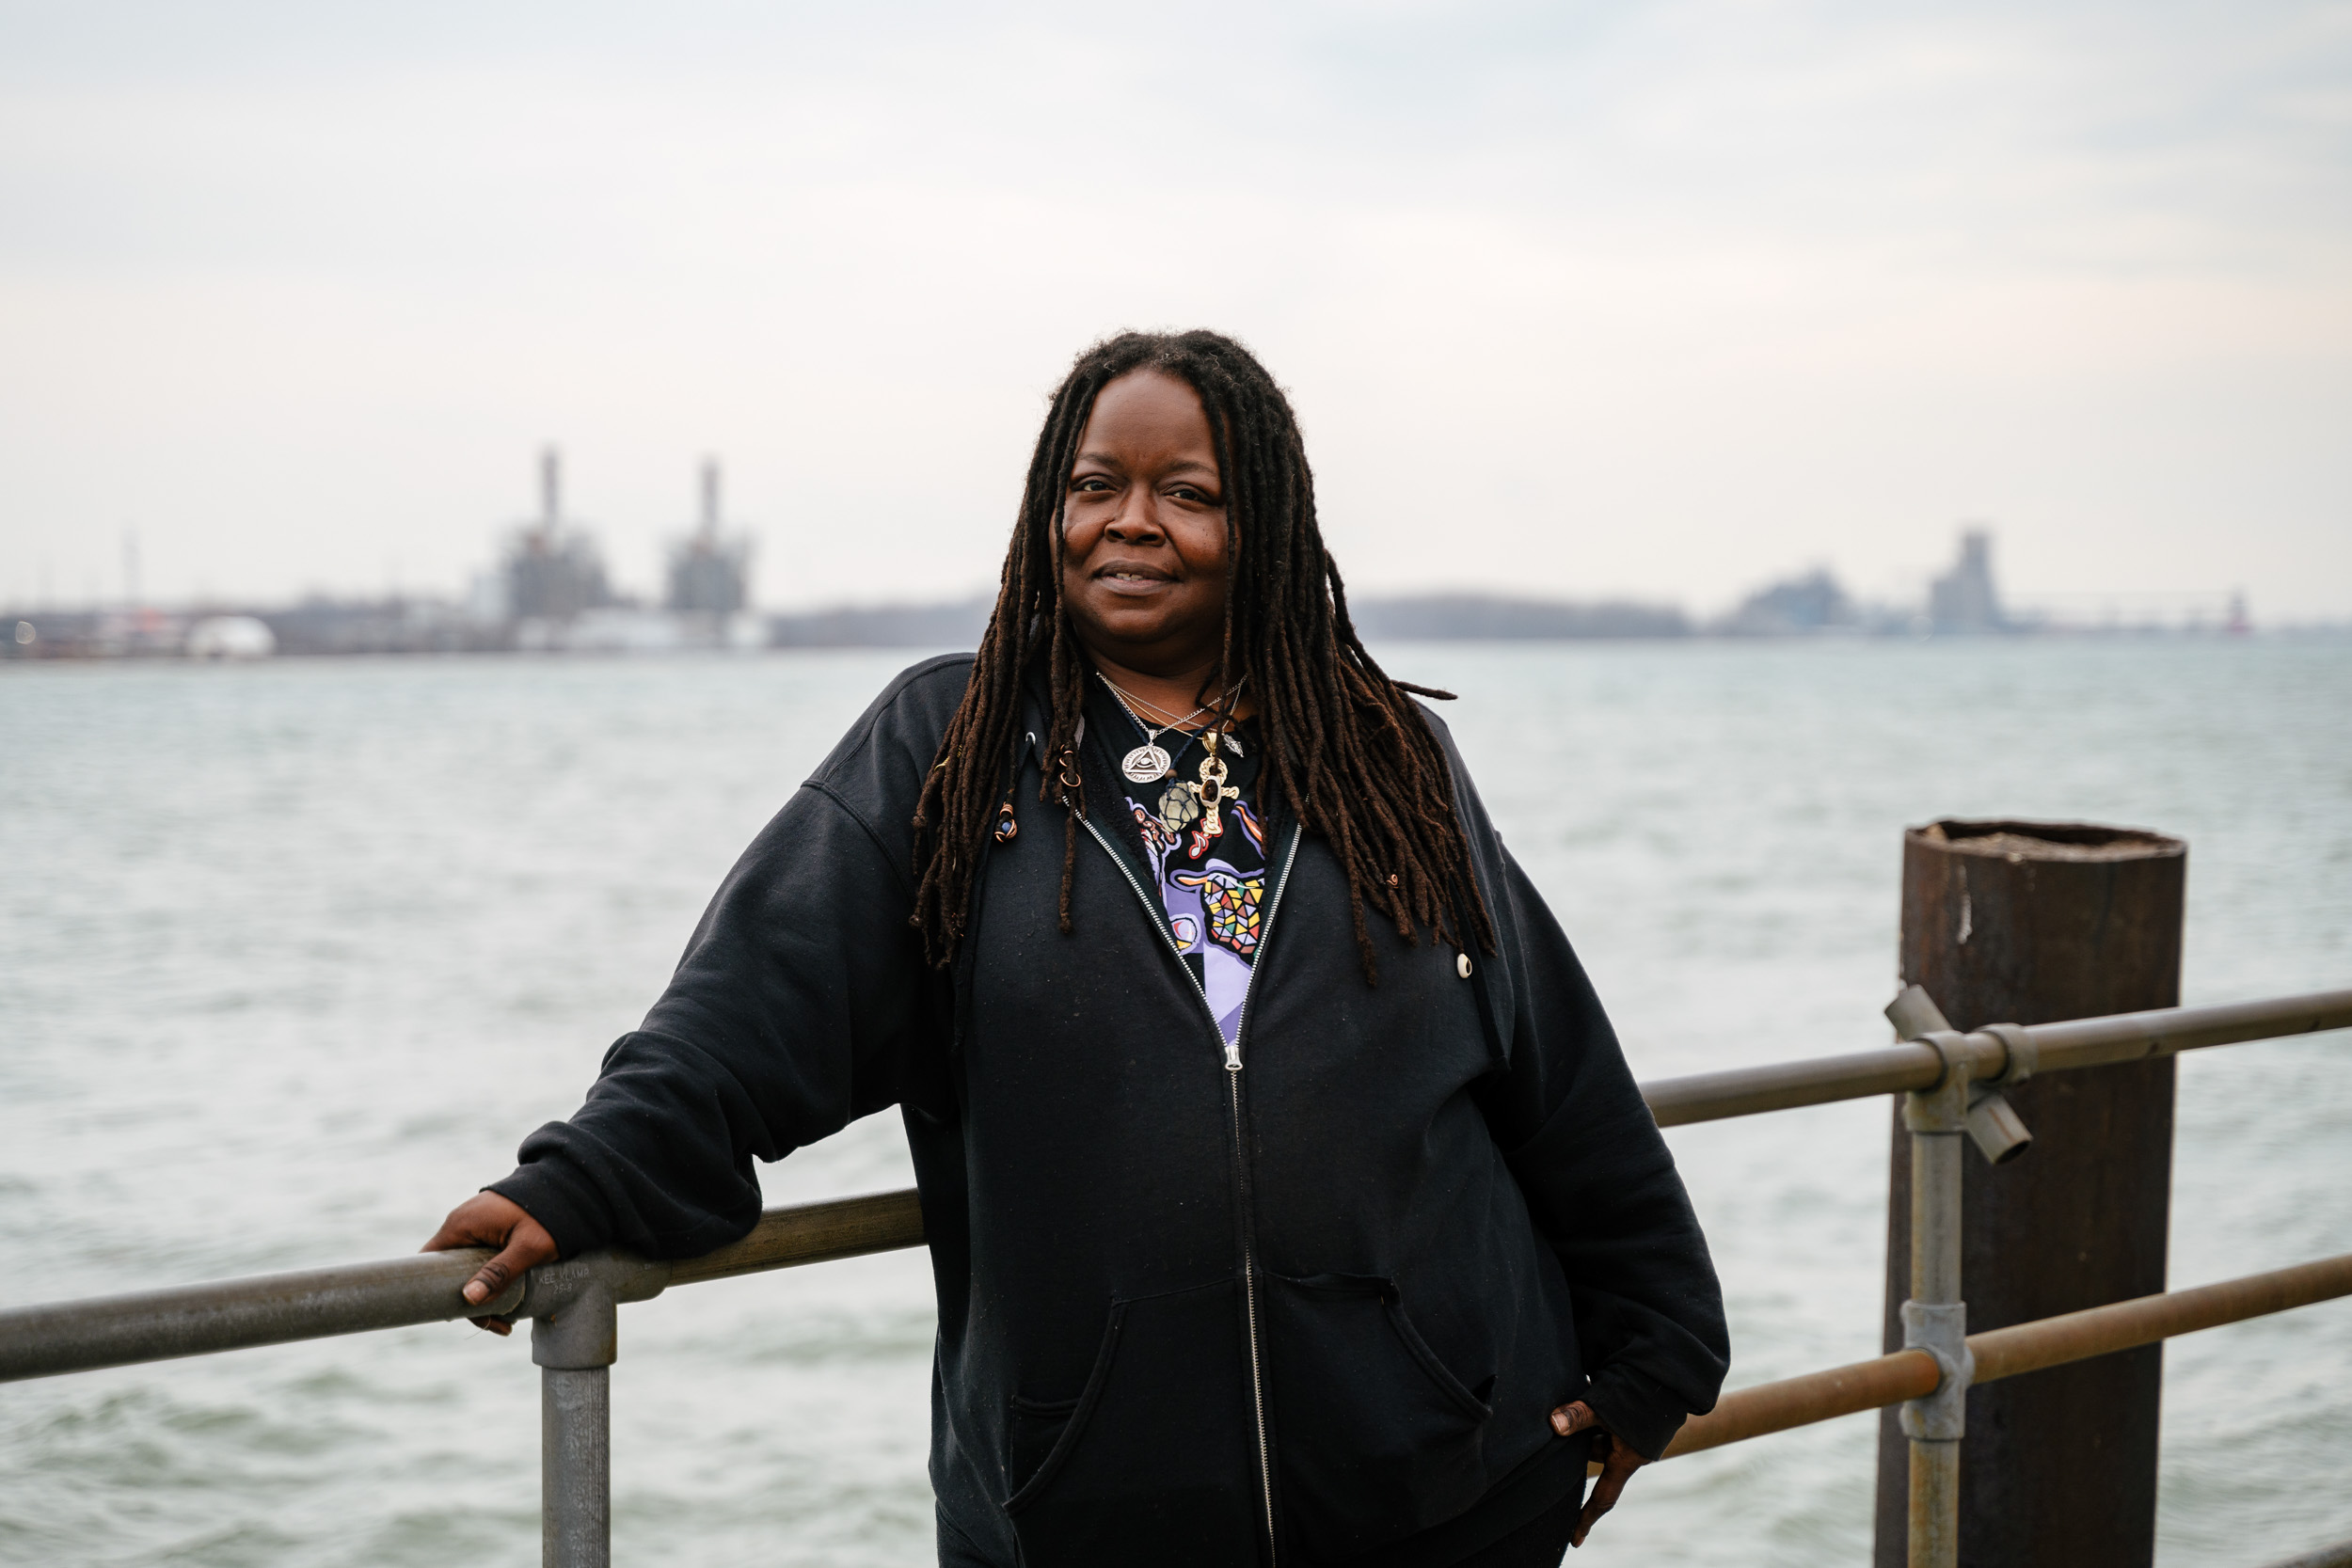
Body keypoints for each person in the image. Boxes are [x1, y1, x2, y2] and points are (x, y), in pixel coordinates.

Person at [425, 330, 1728, 1567]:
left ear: (1261, 527)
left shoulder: (1384, 757)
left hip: (1446, 1496)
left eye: (1189, 492)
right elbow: (755, 998)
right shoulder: (951, 745)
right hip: (1087, 1513)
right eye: (1095, 485)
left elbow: (1552, 1073)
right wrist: (587, 1176)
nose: (1132, 521)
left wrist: (1656, 1349)